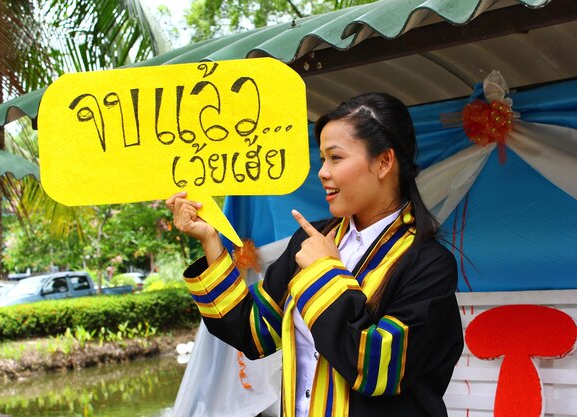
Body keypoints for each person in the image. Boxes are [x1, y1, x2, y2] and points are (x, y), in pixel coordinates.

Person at [167, 92, 463, 417]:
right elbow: (253, 332)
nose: (322, 171)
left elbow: (377, 369)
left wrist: (325, 273)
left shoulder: (428, 264)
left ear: (383, 162)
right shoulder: (309, 241)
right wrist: (211, 240)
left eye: (335, 158)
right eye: (322, 158)